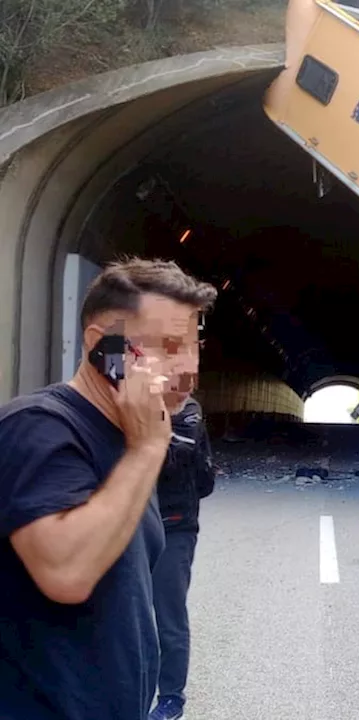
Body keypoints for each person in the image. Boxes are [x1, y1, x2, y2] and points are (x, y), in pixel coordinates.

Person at [0, 258, 217, 720]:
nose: (189, 370)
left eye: (194, 346)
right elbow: (66, 574)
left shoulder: (127, 436)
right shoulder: (38, 428)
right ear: (105, 347)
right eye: (169, 347)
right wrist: (145, 453)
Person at [150, 396, 217, 720]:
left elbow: (177, 451)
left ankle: (171, 698)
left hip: (173, 526)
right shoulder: (118, 400)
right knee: (121, 613)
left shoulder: (186, 409)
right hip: (129, 524)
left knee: (168, 616)